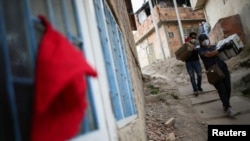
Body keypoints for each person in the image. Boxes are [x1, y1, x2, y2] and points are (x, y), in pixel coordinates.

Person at [197, 34, 236, 117]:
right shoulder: (200, 50)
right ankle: (228, 107)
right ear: (200, 42)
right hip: (213, 72)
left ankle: (226, 104)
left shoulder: (214, 46)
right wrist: (221, 49)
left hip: (223, 68)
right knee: (222, 90)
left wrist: (228, 47)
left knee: (228, 88)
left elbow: (222, 52)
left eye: (206, 39)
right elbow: (209, 54)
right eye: (203, 40)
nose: (205, 41)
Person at [185, 32, 203, 96]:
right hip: (188, 62)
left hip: (196, 61)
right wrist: (189, 46)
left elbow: (197, 50)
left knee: (199, 74)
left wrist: (192, 47)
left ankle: (198, 86)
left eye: (194, 37)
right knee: (192, 76)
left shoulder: (197, 43)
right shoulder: (186, 43)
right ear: (190, 37)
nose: (194, 38)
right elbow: (185, 51)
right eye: (192, 37)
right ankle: (195, 90)